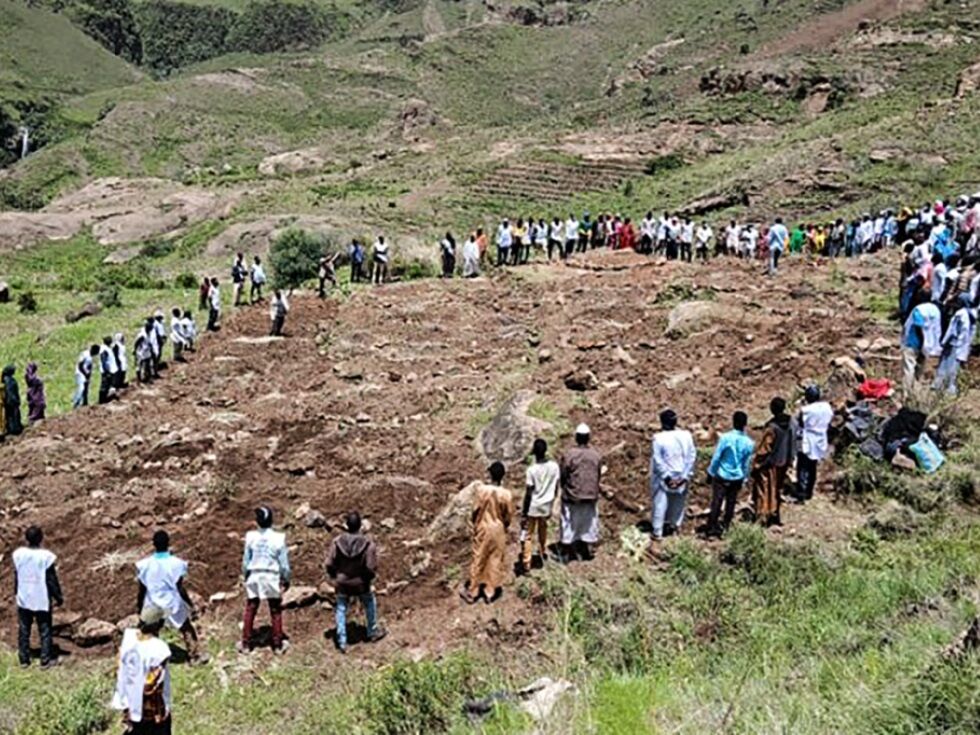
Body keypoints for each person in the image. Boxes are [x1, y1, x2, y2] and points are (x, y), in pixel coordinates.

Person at [136, 530, 204, 664]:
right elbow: (180, 588)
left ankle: (152, 659)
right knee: (186, 628)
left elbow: (142, 589)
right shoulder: (177, 563)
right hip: (172, 602)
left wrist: (139, 606)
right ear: (168, 544)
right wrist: (190, 604)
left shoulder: (144, 565)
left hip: (153, 603)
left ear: (153, 544)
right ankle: (194, 656)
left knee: (150, 632)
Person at [326, 512, 386, 653]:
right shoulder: (368, 544)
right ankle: (372, 631)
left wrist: (335, 576)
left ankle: (342, 641)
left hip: (342, 583)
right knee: (369, 602)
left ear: (346, 526)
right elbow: (370, 567)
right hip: (360, 583)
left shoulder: (337, 542)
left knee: (341, 608)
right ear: (360, 526)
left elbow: (329, 563)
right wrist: (368, 578)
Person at [111, 604, 173, 734]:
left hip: (130, 701)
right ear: (159, 624)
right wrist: (159, 711)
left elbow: (120, 666)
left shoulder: (129, 638)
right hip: (149, 708)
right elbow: (152, 684)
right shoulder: (159, 649)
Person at [240, 507, 290, 654]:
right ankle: (277, 644)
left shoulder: (250, 537)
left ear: (257, 522)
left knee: (251, 608)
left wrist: (245, 575)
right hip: (271, 575)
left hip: (255, 574)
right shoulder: (279, 538)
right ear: (271, 521)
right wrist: (286, 578)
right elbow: (284, 564)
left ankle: (246, 643)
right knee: (275, 610)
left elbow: (245, 561)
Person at [461, 461, 513, 604]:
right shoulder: (506, 494)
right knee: (495, 559)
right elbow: (508, 515)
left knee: (479, 557)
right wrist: (505, 526)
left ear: (490, 474)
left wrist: (474, 523)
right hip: (499, 528)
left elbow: (475, 510)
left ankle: (473, 591)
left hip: (484, 526)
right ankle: (490, 592)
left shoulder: (482, 490)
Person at [13, 526, 63, 668]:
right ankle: (45, 660)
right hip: (41, 597)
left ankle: (24, 659)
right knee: (45, 629)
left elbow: (17, 575)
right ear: (41, 538)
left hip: (24, 596)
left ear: (26, 538)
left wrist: (16, 591)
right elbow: (51, 580)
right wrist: (58, 597)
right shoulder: (45, 557)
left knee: (24, 629)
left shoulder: (19, 555)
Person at [705, 411, 755, 537]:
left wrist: (710, 472)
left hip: (722, 475)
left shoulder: (725, 438)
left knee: (716, 501)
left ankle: (711, 528)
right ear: (745, 424)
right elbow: (746, 463)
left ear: (733, 422)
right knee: (731, 503)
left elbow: (717, 457)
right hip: (737, 477)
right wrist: (744, 478)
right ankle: (726, 527)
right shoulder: (749, 443)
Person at [649, 410, 696, 541]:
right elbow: (691, 456)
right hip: (681, 475)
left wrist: (667, 477)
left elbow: (658, 460)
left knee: (660, 504)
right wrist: (684, 476)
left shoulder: (658, 438)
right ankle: (674, 527)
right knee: (678, 503)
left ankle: (657, 532)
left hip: (663, 478)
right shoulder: (686, 435)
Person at [558, 424, 602, 562]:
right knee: (589, 522)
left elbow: (563, 474)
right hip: (591, 495)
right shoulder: (596, 455)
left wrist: (566, 487)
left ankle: (565, 551)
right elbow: (598, 474)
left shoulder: (569, 455)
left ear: (576, 438)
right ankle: (586, 548)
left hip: (573, 495)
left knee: (568, 521)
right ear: (588, 438)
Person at [751, 398, 793, 527]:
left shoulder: (772, 427)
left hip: (770, 463)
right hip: (783, 461)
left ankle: (762, 517)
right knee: (776, 489)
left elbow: (765, 448)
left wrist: (756, 464)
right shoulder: (790, 423)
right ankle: (775, 514)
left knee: (764, 489)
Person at [520, 438, 559, 573]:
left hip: (534, 506)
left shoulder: (532, 470)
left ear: (534, 453)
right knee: (543, 529)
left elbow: (529, 492)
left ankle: (526, 563)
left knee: (528, 535)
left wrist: (524, 512)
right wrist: (552, 500)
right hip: (547, 504)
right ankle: (542, 552)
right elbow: (556, 486)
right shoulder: (554, 466)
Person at [794, 385, 833, 504]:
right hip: (820, 438)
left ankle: (801, 494)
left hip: (808, 438)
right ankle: (809, 492)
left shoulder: (806, 410)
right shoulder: (826, 407)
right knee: (813, 466)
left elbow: (800, 422)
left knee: (802, 466)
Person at [933, 293, 975, 396]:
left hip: (954, 344)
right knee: (954, 366)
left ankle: (941, 385)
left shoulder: (960, 314)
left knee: (946, 365)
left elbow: (952, 330)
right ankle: (948, 387)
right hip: (962, 345)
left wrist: (944, 341)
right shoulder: (971, 315)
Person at [901, 300, 942, 393]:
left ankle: (907, 392)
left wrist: (923, 341)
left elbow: (919, 326)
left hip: (912, 343)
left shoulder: (918, 311)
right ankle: (916, 391)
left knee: (909, 368)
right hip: (927, 346)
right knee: (919, 369)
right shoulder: (936, 312)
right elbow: (936, 330)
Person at [3, 365, 23, 436]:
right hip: (11, 401)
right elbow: (10, 392)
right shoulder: (9, 381)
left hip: (9, 401)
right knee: (13, 415)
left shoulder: (6, 379)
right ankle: (14, 429)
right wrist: (14, 400)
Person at [98, 337, 118, 404]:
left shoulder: (107, 348)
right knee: (104, 386)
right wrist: (107, 371)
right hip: (107, 371)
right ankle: (101, 401)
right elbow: (104, 361)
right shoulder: (104, 350)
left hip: (110, 370)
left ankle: (105, 399)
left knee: (107, 386)